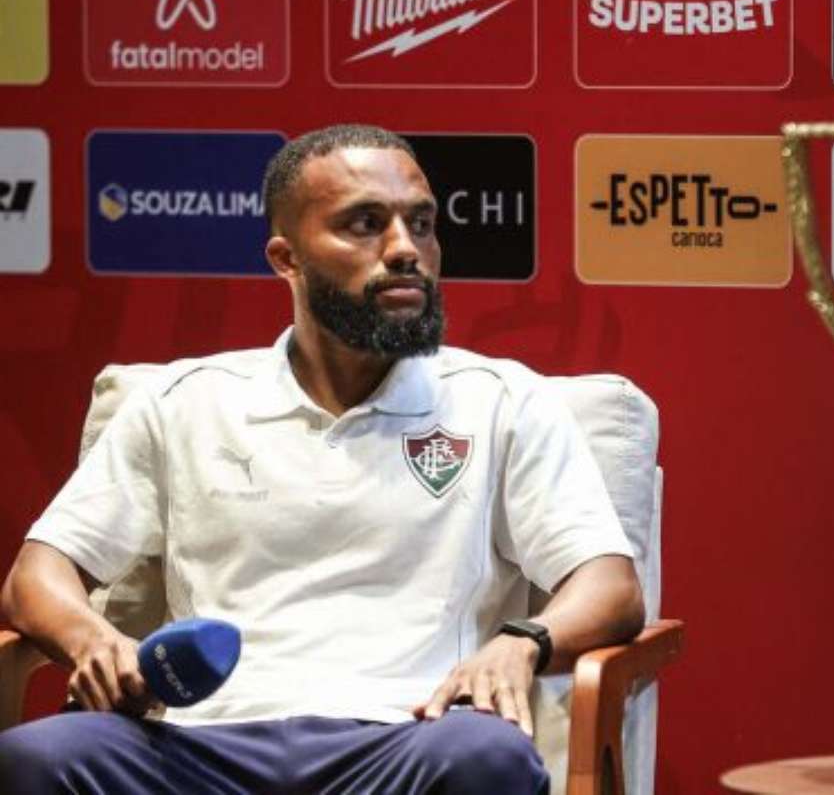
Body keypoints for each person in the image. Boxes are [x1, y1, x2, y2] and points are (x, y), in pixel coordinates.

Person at [0, 124, 645, 794]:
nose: (406, 249)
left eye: (422, 224)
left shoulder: (503, 401)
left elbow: (611, 586)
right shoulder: (183, 401)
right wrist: (91, 639)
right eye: (365, 224)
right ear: (288, 259)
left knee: (487, 756)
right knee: (34, 758)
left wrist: (524, 641)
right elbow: (35, 576)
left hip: (411, 734)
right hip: (202, 744)